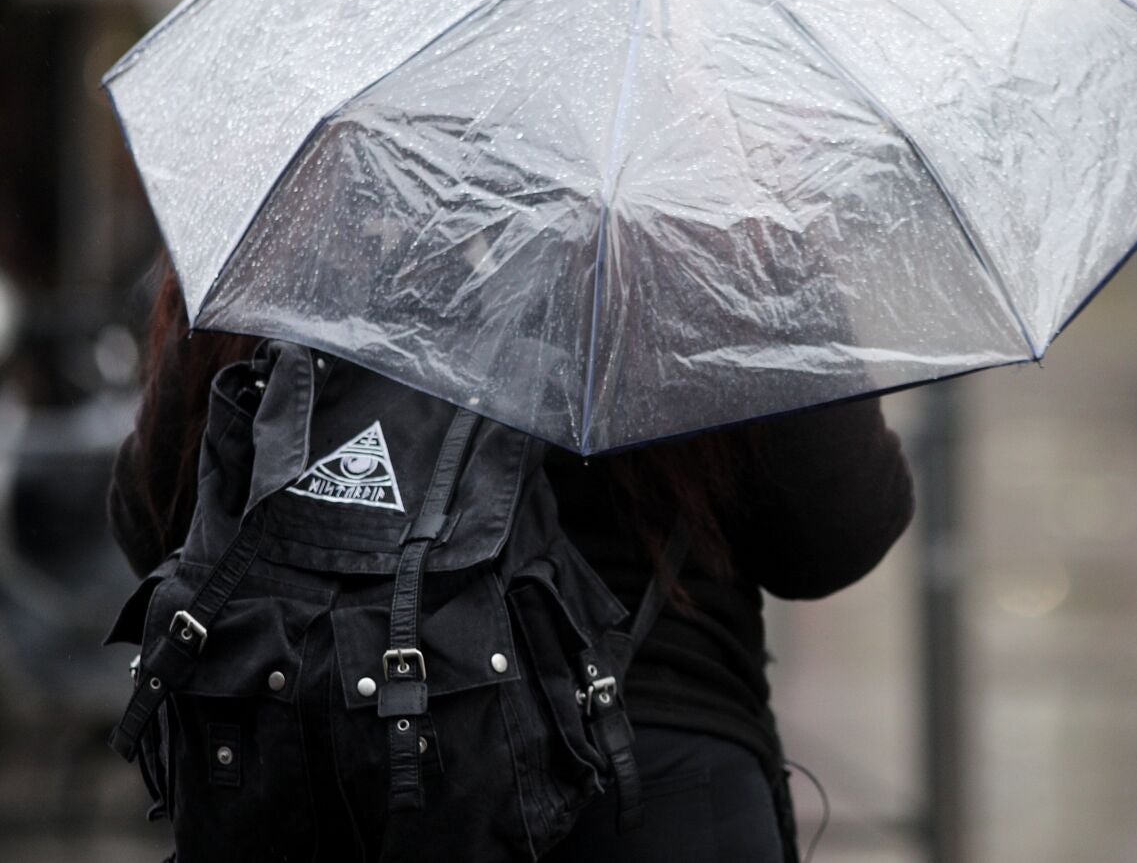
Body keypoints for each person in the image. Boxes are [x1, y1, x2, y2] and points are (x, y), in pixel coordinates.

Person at [107, 265, 916, 861]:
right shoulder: (689, 193)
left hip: (343, 771)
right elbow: (833, 536)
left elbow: (159, 523)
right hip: (651, 773)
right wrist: (766, 234)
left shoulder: (313, 175)